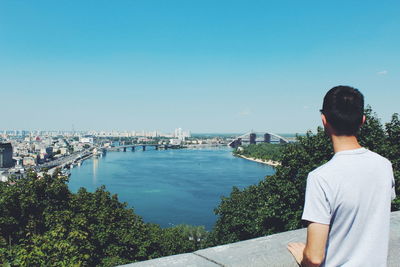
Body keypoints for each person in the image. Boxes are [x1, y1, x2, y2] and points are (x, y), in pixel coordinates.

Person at [287, 86, 396, 267]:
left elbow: (314, 258)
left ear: (324, 120)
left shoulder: (321, 178)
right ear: (362, 121)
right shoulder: (384, 165)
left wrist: (303, 257)